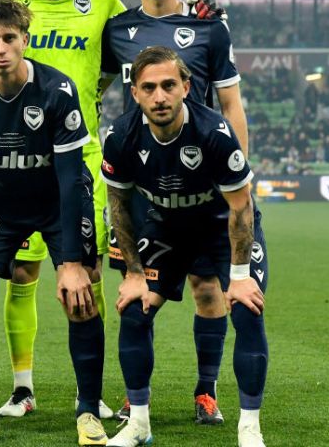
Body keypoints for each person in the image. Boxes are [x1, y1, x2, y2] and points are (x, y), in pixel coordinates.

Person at [0, 0, 106, 446]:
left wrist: (71, 263)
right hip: (3, 202)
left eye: (9, 38)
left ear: (24, 40)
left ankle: (89, 412)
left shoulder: (56, 90)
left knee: (79, 296)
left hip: (57, 200)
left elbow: (71, 179)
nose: (1, 48)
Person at [100, 0, 248, 424]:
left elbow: (230, 104)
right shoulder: (116, 30)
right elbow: (94, 85)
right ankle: (135, 396)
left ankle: (206, 392)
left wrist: (237, 175)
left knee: (208, 289)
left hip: (202, 185)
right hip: (144, 189)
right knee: (139, 296)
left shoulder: (209, 27)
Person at [102, 46, 268, 447]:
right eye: (149, 88)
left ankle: (249, 429)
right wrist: (134, 274)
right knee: (135, 309)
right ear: (135, 93)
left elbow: (241, 207)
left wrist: (240, 277)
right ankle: (138, 423)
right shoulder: (121, 136)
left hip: (221, 228)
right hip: (165, 227)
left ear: (186, 88)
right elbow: (119, 204)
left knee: (246, 309)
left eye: (168, 85)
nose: (159, 96)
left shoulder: (215, 133)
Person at [0, 0, 123, 417]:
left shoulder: (101, 1)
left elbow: (133, 42)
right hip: (24, 162)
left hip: (83, 157)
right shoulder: (11, 2)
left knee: (88, 272)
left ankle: (90, 391)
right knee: (21, 270)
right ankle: (22, 389)